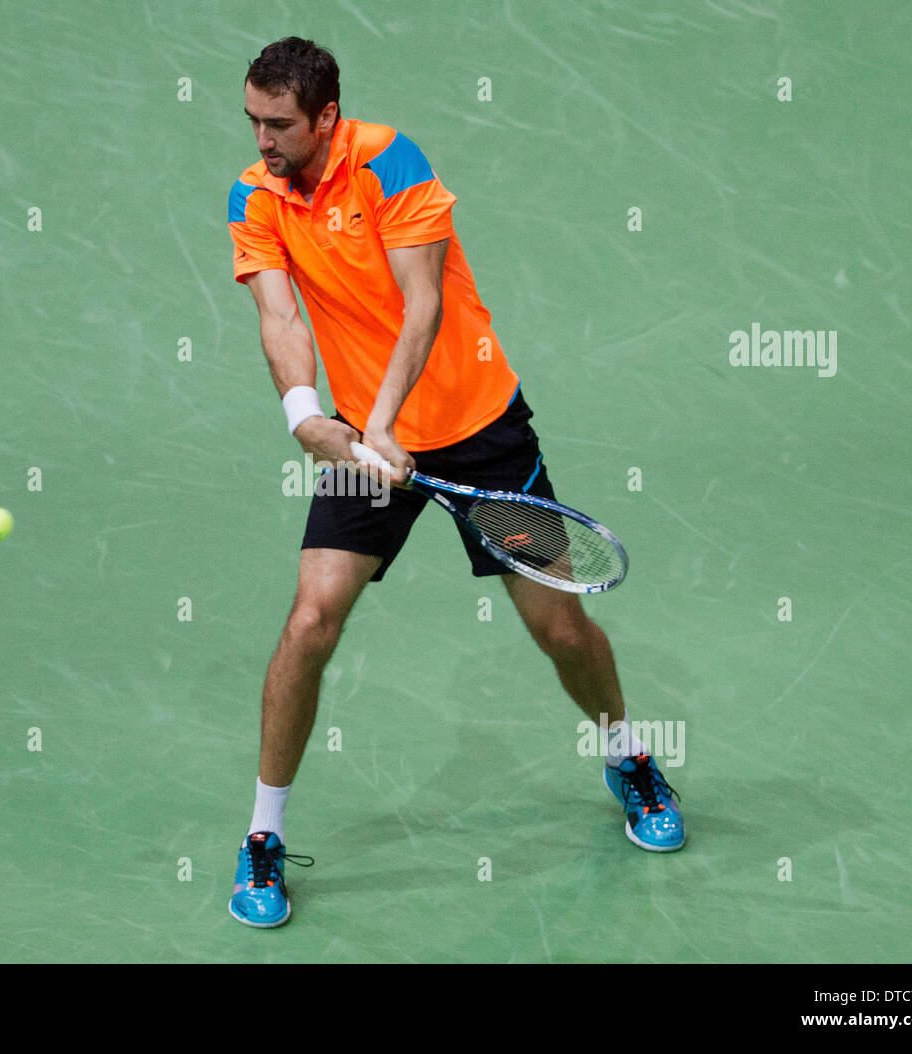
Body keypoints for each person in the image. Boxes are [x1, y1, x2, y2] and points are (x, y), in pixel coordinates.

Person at [226, 37, 684, 929]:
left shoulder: (391, 160)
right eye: (252, 120)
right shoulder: (257, 192)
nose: (262, 139)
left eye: (278, 124)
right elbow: (278, 310)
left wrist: (389, 420)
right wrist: (304, 414)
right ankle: (263, 835)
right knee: (310, 619)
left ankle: (628, 756)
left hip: (480, 436)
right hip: (366, 450)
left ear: (326, 117)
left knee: (560, 624)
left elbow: (424, 303)